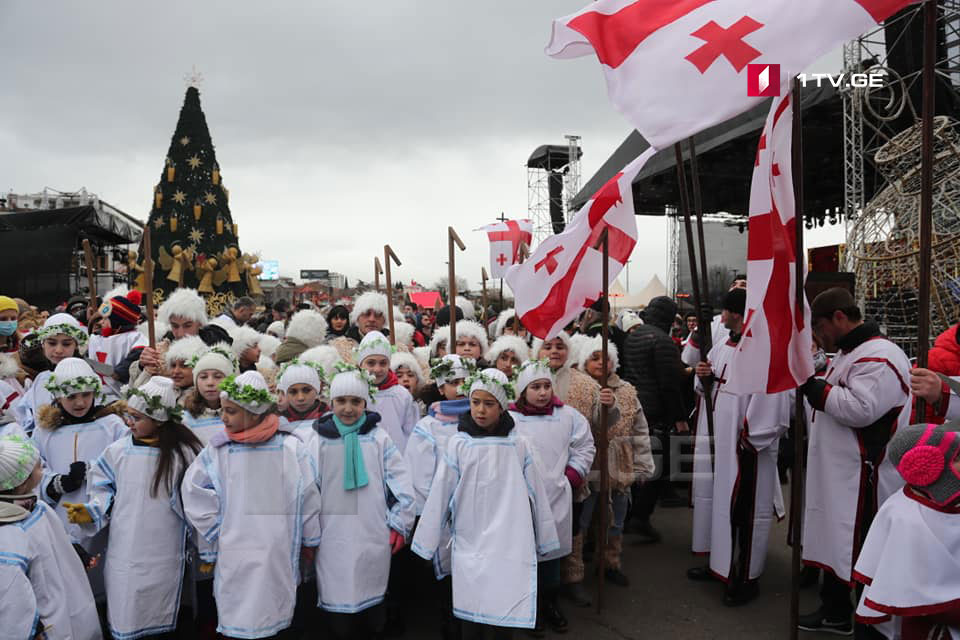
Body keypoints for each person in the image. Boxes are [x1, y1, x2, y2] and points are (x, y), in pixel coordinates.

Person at [797, 287, 911, 635]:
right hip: (842, 472)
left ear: (840, 318)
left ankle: (869, 621)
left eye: (819, 326)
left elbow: (860, 409)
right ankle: (835, 611)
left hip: (864, 477)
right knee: (837, 541)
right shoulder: (853, 352)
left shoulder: (880, 354)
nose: (819, 336)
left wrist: (811, 386)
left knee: (861, 548)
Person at [412, 368, 559, 638]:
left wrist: (545, 536)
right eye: (475, 402)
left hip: (509, 535)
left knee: (505, 597)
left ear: (502, 407)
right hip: (471, 534)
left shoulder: (518, 445)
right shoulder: (459, 444)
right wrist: (426, 540)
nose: (480, 410)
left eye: (489, 404)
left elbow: (537, 491)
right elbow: (441, 492)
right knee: (473, 600)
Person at [181, 370, 322, 640]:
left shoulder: (290, 447)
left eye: (231, 411)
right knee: (239, 609)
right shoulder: (219, 450)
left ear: (253, 412)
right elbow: (194, 489)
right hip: (235, 545)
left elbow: (308, 495)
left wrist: (309, 536)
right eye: (224, 410)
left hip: (277, 546)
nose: (223, 418)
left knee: (275, 607)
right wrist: (216, 530)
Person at [63, 376, 202, 639]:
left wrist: (203, 546)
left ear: (159, 420)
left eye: (137, 417)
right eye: (129, 415)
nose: (129, 422)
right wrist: (91, 510)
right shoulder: (117, 451)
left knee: (164, 613)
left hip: (166, 551)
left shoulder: (182, 454)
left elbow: (196, 504)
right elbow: (104, 489)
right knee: (127, 611)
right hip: (125, 551)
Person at [688, 288, 790, 606]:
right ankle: (719, 563)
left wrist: (750, 440)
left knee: (745, 513)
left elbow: (773, 401)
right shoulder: (722, 346)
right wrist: (703, 376)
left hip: (745, 449)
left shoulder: (764, 352)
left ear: (738, 314)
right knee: (718, 509)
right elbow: (706, 386)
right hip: (720, 442)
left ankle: (746, 577)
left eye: (728, 311)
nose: (723, 315)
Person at [310, 367, 416, 639]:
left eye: (356, 402)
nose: (348, 408)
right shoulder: (318, 439)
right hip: (331, 532)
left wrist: (399, 523)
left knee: (372, 596)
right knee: (337, 598)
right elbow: (307, 488)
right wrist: (308, 532)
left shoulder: (378, 437)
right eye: (341, 401)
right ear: (330, 402)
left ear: (365, 403)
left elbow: (400, 480)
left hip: (372, 528)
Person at [509, 360, 595, 634]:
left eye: (547, 386)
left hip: (557, 494)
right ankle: (527, 608)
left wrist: (572, 475)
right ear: (523, 391)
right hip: (521, 498)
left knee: (552, 556)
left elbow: (584, 446)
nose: (543, 392)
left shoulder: (568, 416)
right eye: (535, 387)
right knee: (524, 554)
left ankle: (550, 603)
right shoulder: (510, 419)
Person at [852, 420, 960, 639]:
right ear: (931, 468)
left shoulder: (933, 502)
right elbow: (924, 600)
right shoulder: (909, 521)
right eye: (958, 458)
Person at [32, 357, 127, 588]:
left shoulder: (112, 425)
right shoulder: (45, 433)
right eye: (71, 396)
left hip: (104, 518)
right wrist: (56, 484)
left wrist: (95, 470)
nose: (80, 402)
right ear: (57, 396)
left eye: (85, 394)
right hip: (62, 517)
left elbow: (126, 465)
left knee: (105, 577)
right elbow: (33, 470)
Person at [0, 435, 102, 640]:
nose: (43, 469)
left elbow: (57, 538)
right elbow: (13, 598)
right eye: (38, 467)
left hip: (69, 600)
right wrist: (33, 629)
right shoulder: (8, 535)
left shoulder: (37, 508)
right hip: (47, 622)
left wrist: (75, 550)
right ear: (22, 482)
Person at [576, 337, 655, 587]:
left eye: (606, 357)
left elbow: (640, 430)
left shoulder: (627, 391)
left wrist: (643, 463)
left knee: (615, 518)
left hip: (618, 465)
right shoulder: (578, 389)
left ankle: (609, 562)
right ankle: (574, 568)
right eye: (595, 357)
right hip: (588, 466)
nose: (601, 362)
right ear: (584, 361)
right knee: (582, 519)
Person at [619, 295, 690, 536]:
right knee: (657, 465)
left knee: (637, 464)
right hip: (654, 411)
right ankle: (640, 516)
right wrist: (679, 418)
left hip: (632, 405)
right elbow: (669, 385)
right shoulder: (663, 342)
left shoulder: (633, 337)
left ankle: (631, 515)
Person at [12, 312, 88, 434]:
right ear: (43, 344)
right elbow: (27, 416)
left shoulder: (87, 378)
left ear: (76, 346)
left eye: (66, 344)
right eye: (52, 343)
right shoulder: (41, 379)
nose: (58, 350)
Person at [356, 331, 420, 453]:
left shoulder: (402, 395)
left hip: (397, 458)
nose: (377, 369)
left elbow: (412, 433)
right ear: (361, 364)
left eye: (383, 363)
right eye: (371, 363)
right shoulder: (355, 394)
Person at [182, 343, 238, 445]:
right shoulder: (186, 418)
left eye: (218, 376)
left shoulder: (240, 414)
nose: (210, 383)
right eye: (203, 377)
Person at [276, 358, 328, 442]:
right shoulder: (279, 423)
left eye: (306, 390)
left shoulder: (330, 418)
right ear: (286, 393)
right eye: (293, 392)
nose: (300, 398)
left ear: (317, 389)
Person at [164, 335, 207, 404]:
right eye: (173, 365)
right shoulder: (165, 391)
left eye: (184, 365)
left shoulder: (206, 400)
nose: (176, 371)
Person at [391, 351, 426, 416]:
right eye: (399, 376)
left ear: (417, 380)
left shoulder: (425, 407)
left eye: (410, 375)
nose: (405, 379)